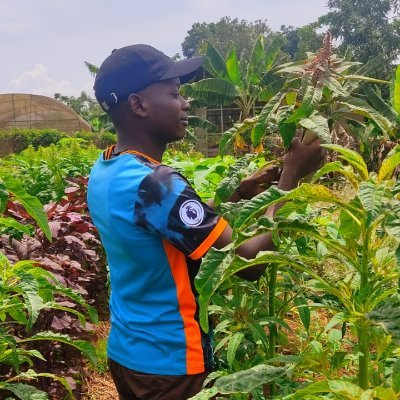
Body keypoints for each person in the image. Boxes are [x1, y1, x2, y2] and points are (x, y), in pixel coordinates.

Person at [87, 44, 324, 400]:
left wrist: (240, 194)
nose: (185, 104)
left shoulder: (107, 168)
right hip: (169, 365)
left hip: (128, 353)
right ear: (138, 105)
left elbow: (160, 220)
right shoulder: (157, 184)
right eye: (174, 93)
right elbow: (247, 261)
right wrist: (290, 178)